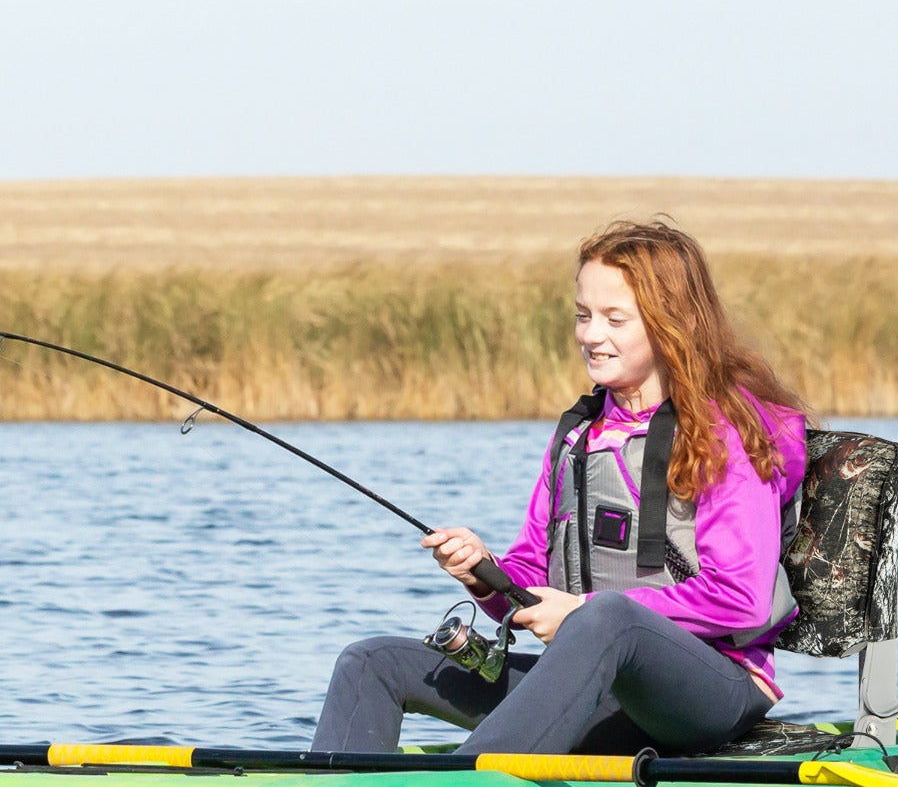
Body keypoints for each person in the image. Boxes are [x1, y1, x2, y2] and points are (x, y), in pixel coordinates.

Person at [312, 219, 808, 757]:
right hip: (596, 681)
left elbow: (742, 600)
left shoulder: (725, 435)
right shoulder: (579, 435)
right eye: (583, 315)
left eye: (614, 318)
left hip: (715, 691)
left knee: (608, 617)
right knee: (371, 662)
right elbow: (531, 581)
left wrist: (580, 611)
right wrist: (484, 573)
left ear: (672, 323)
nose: (590, 335)